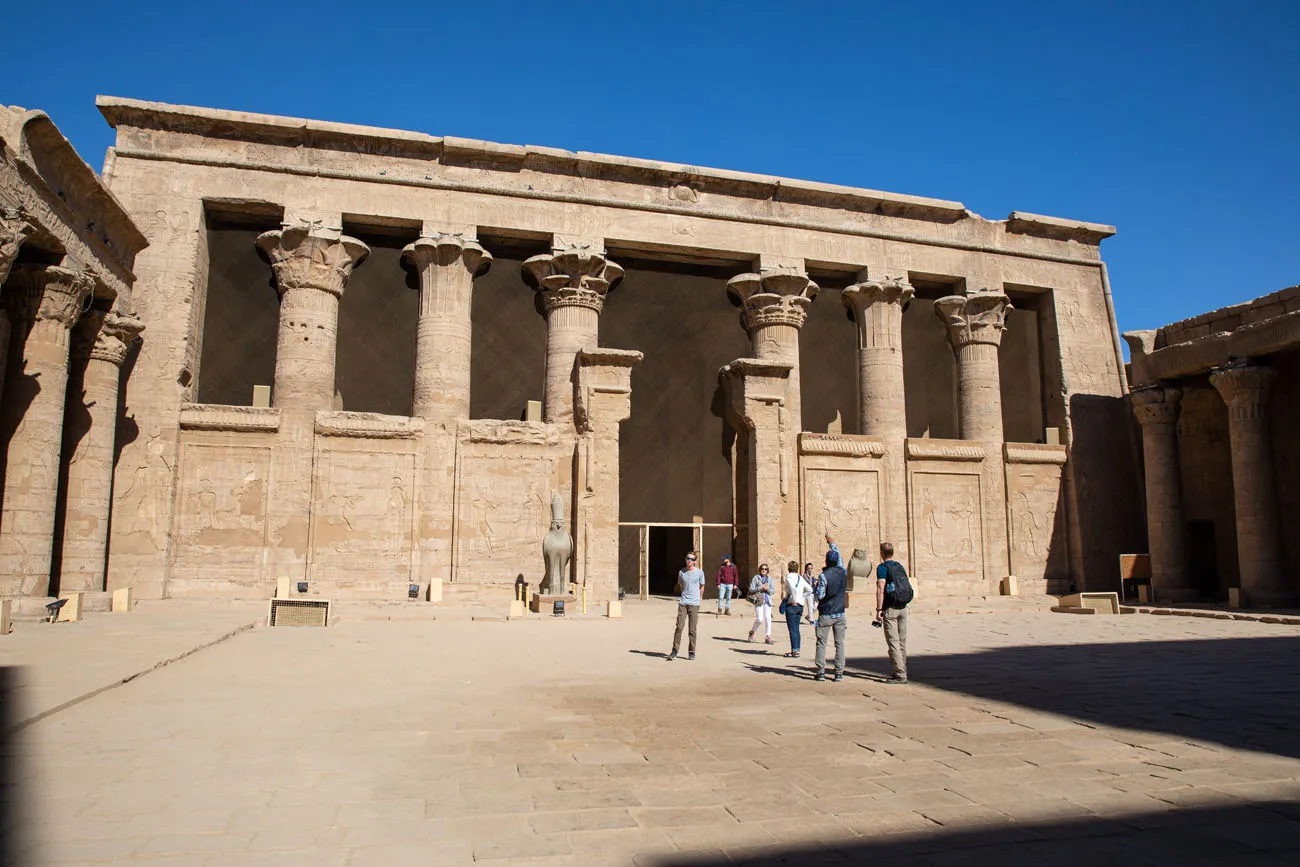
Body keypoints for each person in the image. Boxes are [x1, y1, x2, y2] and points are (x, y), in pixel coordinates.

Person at [873, 542, 910, 684]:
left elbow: (880, 588)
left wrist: (879, 610)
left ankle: (900, 674)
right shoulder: (899, 566)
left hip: (891, 609)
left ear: (882, 553)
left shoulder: (882, 568)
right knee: (901, 641)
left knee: (893, 642)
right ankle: (901, 669)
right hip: (903, 607)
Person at [813, 534, 848, 681]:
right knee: (839, 643)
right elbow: (839, 558)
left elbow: (820, 595)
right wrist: (832, 543)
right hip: (840, 613)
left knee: (822, 642)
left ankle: (821, 671)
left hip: (827, 613)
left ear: (827, 561)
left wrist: (815, 589)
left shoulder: (823, 576)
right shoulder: (843, 572)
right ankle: (838, 672)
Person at [668, 551, 705, 661]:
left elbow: (702, 586)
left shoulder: (699, 573)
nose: (690, 560)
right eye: (688, 558)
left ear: (695, 561)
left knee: (692, 629)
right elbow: (681, 585)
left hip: (694, 604)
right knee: (679, 627)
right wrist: (684, 595)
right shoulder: (681, 572)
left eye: (692, 559)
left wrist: (699, 597)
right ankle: (674, 651)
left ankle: (692, 651)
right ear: (685, 559)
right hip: (683, 603)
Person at [782, 560, 812, 658]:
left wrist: (795, 599)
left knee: (792, 629)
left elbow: (793, 589)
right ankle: (797, 650)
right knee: (796, 629)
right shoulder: (800, 578)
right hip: (800, 606)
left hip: (792, 605)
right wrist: (801, 597)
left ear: (788, 568)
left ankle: (794, 651)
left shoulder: (789, 578)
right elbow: (810, 589)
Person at [747, 564, 774, 645]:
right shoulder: (756, 578)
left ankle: (768, 636)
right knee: (760, 619)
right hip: (758, 600)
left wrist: (767, 589)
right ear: (760, 569)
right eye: (762, 569)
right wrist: (760, 588)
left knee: (768, 618)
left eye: (766, 569)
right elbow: (751, 589)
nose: (764, 570)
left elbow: (772, 591)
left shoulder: (770, 579)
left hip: (767, 601)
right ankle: (752, 631)